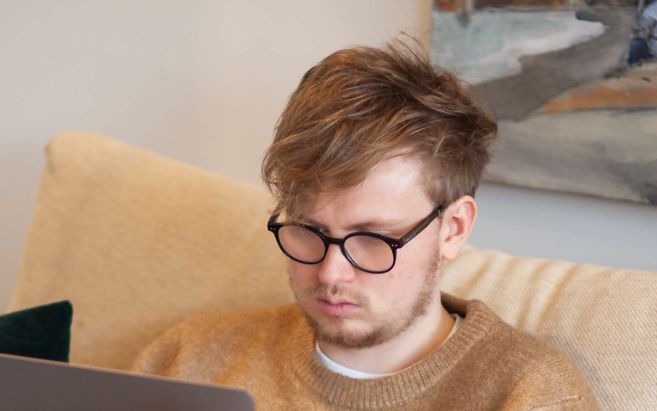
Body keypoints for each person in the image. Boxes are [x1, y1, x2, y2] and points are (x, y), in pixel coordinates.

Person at [131, 41, 600, 410]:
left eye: (373, 238)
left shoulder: (531, 395)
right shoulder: (192, 358)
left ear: (453, 229)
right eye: (309, 230)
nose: (331, 273)